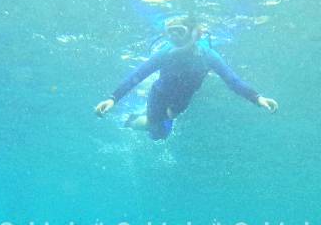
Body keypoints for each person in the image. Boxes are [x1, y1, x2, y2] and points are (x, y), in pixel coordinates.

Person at [95, 16, 278, 140]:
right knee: (157, 133)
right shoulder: (165, 53)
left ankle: (152, 116)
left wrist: (257, 98)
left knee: (170, 120)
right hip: (159, 95)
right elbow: (137, 76)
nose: (174, 37)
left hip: (182, 100)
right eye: (171, 32)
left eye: (179, 31)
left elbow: (233, 81)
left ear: (194, 33)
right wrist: (113, 99)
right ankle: (131, 121)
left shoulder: (207, 55)